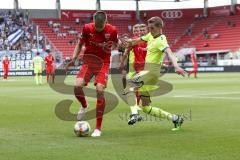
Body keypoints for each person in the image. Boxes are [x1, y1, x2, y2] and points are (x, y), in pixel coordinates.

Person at [124, 16, 187, 131]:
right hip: (149, 74)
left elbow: (170, 53)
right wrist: (130, 41)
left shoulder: (161, 40)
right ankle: (175, 118)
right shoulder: (150, 35)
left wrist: (176, 66)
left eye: (152, 28)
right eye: (149, 27)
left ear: (160, 27)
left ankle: (134, 114)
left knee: (129, 86)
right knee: (146, 108)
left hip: (151, 71)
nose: (150, 30)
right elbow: (139, 40)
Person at [66, 11, 118, 137]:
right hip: (88, 62)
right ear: (93, 21)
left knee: (100, 90)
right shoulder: (87, 28)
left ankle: (98, 128)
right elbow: (79, 44)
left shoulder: (112, 30)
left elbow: (116, 44)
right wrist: (73, 59)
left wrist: (117, 46)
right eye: (96, 26)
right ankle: (84, 106)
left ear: (105, 22)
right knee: (77, 86)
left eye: (101, 26)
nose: (98, 29)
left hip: (103, 63)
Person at [120, 24, 141, 94]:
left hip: (142, 62)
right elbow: (125, 52)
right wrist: (122, 62)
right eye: (134, 31)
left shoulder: (145, 39)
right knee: (124, 77)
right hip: (132, 62)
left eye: (137, 31)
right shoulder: (132, 41)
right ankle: (126, 89)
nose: (136, 32)